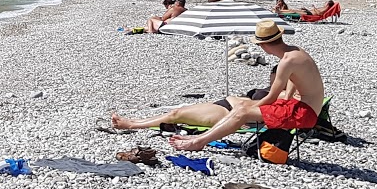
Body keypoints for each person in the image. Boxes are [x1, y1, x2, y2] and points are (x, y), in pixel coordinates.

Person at [110, 20, 324, 148]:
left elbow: (270, 97)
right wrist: (285, 98)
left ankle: (199, 142)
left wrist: (247, 109)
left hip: (305, 114)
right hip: (307, 108)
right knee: (242, 109)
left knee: (242, 112)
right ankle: (202, 138)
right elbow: (292, 87)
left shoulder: (286, 62)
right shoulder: (295, 52)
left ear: (265, 45)